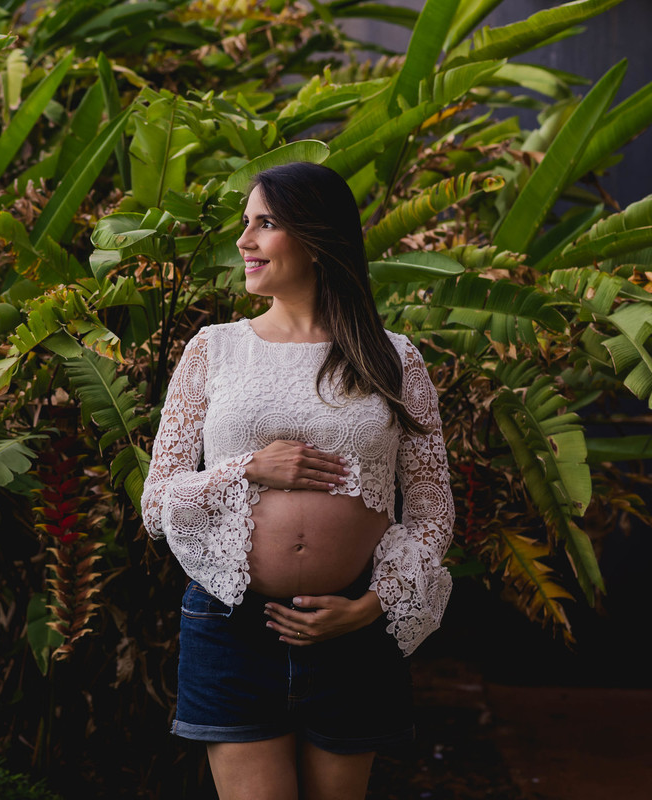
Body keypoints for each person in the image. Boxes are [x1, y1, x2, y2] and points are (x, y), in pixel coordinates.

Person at [139, 161, 454, 800]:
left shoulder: (395, 360)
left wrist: (372, 607)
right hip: (232, 626)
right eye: (245, 224)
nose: (244, 241)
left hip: (354, 628)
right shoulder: (213, 349)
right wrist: (247, 468)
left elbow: (431, 510)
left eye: (265, 224)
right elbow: (157, 501)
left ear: (316, 237)